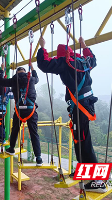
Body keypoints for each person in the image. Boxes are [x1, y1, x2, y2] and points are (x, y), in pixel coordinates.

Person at [37, 36, 106, 193]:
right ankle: (84, 171)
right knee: (79, 139)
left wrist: (42, 48)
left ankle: (98, 181)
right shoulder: (82, 61)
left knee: (83, 140)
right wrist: (84, 46)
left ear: (62, 56)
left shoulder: (64, 63)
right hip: (86, 105)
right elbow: (93, 59)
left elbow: (44, 64)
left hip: (80, 107)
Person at [0, 63, 43, 166]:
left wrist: (2, 70)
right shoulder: (31, 79)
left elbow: (0, 82)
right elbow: (37, 78)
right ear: (24, 72)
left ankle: (12, 148)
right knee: (34, 133)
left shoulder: (13, 80)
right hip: (31, 110)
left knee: (15, 130)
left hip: (19, 111)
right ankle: (39, 158)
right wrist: (33, 68)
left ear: (17, 72)